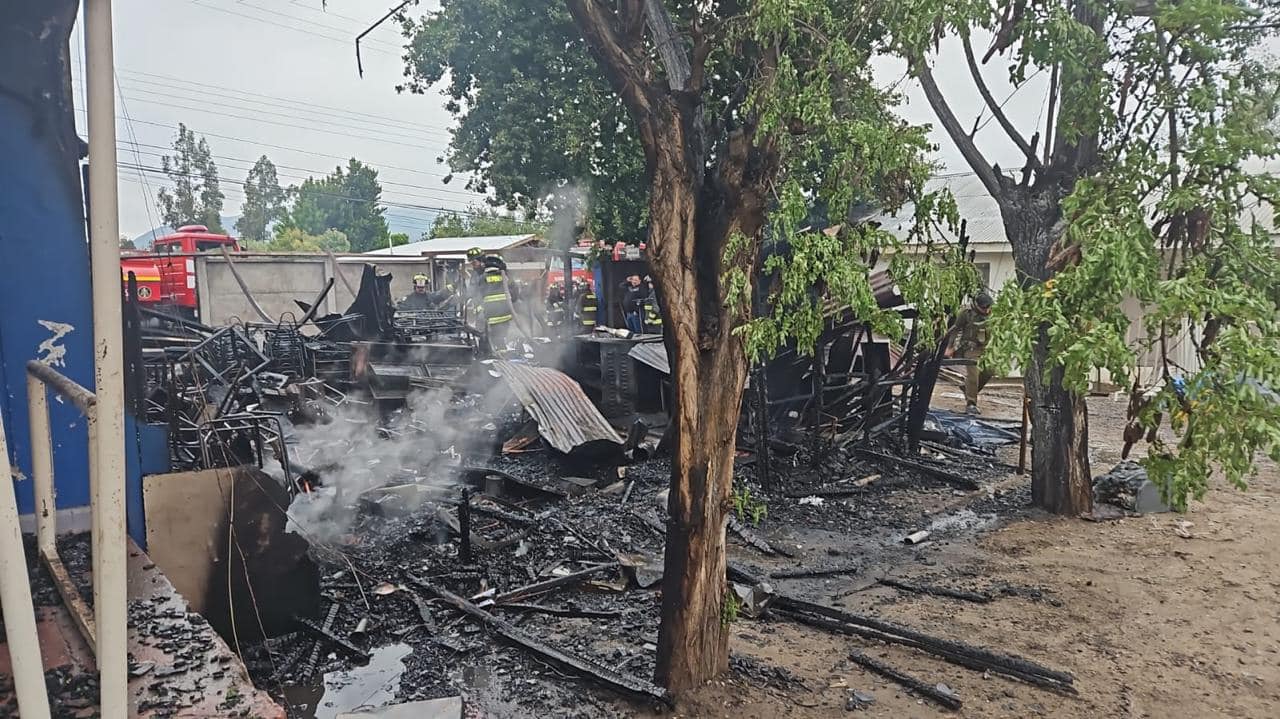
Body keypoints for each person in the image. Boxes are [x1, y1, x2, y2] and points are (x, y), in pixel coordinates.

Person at [948, 292, 995, 415]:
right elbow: (955, 329)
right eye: (984, 308)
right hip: (971, 348)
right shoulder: (966, 313)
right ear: (977, 305)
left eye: (988, 307)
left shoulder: (993, 313)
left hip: (986, 348)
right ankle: (971, 404)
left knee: (990, 370)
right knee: (973, 374)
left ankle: (967, 388)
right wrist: (950, 347)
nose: (986, 310)